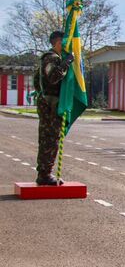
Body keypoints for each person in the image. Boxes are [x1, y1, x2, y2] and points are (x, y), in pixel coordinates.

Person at [34, 30, 72, 185]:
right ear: (58, 42)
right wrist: (66, 63)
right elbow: (53, 77)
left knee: (48, 138)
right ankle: (44, 174)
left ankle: (44, 172)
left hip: (47, 102)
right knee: (50, 139)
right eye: (65, 43)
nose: (66, 46)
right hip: (50, 104)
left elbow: (37, 80)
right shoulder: (52, 58)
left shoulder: (48, 58)